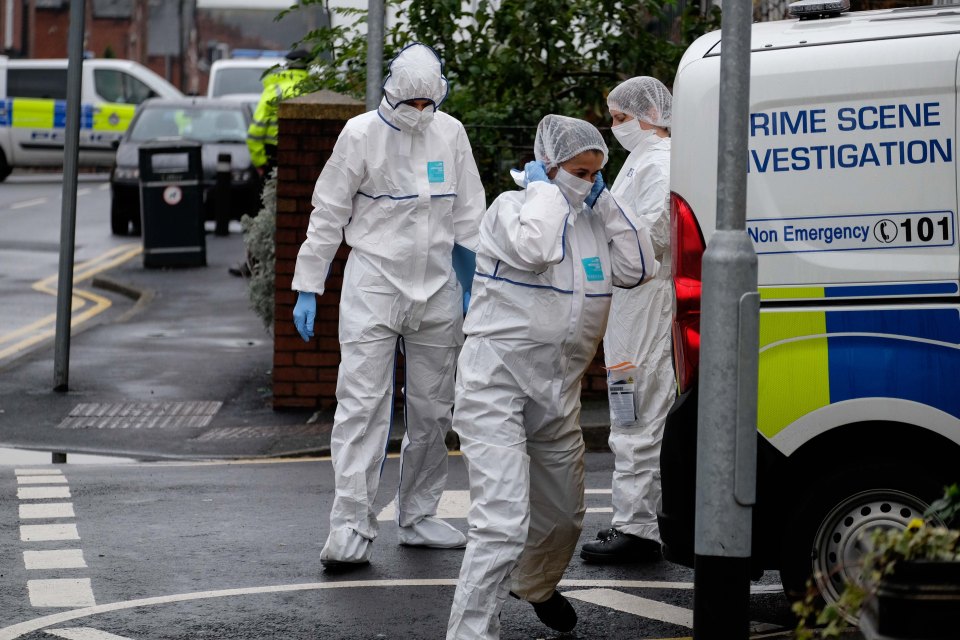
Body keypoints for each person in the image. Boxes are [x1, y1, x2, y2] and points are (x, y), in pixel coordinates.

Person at [446, 114, 657, 639]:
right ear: (547, 164)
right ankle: (470, 633)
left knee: (564, 516)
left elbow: (637, 267)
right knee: (501, 520)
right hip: (496, 382)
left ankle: (535, 585)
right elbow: (537, 248)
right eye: (577, 172)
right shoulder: (511, 209)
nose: (585, 183)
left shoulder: (594, 222)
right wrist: (544, 192)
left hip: (556, 388)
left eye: (594, 174)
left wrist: (605, 204)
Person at [291, 43, 486, 570]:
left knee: (433, 407)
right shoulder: (360, 134)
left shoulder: (452, 133)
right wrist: (310, 283)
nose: (420, 113)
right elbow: (328, 211)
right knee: (361, 404)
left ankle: (419, 514)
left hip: (439, 285)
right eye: (411, 103)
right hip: (375, 281)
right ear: (391, 94)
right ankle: (350, 522)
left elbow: (470, 216)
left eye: (430, 103)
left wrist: (476, 287)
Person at [579, 76, 675, 564]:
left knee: (638, 411)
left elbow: (653, 237)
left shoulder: (660, 161)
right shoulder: (641, 161)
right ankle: (632, 519)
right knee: (628, 407)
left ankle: (638, 529)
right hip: (630, 304)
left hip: (647, 302)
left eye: (620, 118)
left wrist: (605, 206)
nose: (615, 127)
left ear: (649, 115)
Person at [231, 48, 312, 278]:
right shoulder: (315, 89)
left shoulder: (274, 89)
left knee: (264, 214)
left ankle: (254, 264)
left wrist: (259, 163)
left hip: (271, 160)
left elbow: (255, 132)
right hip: (305, 161)